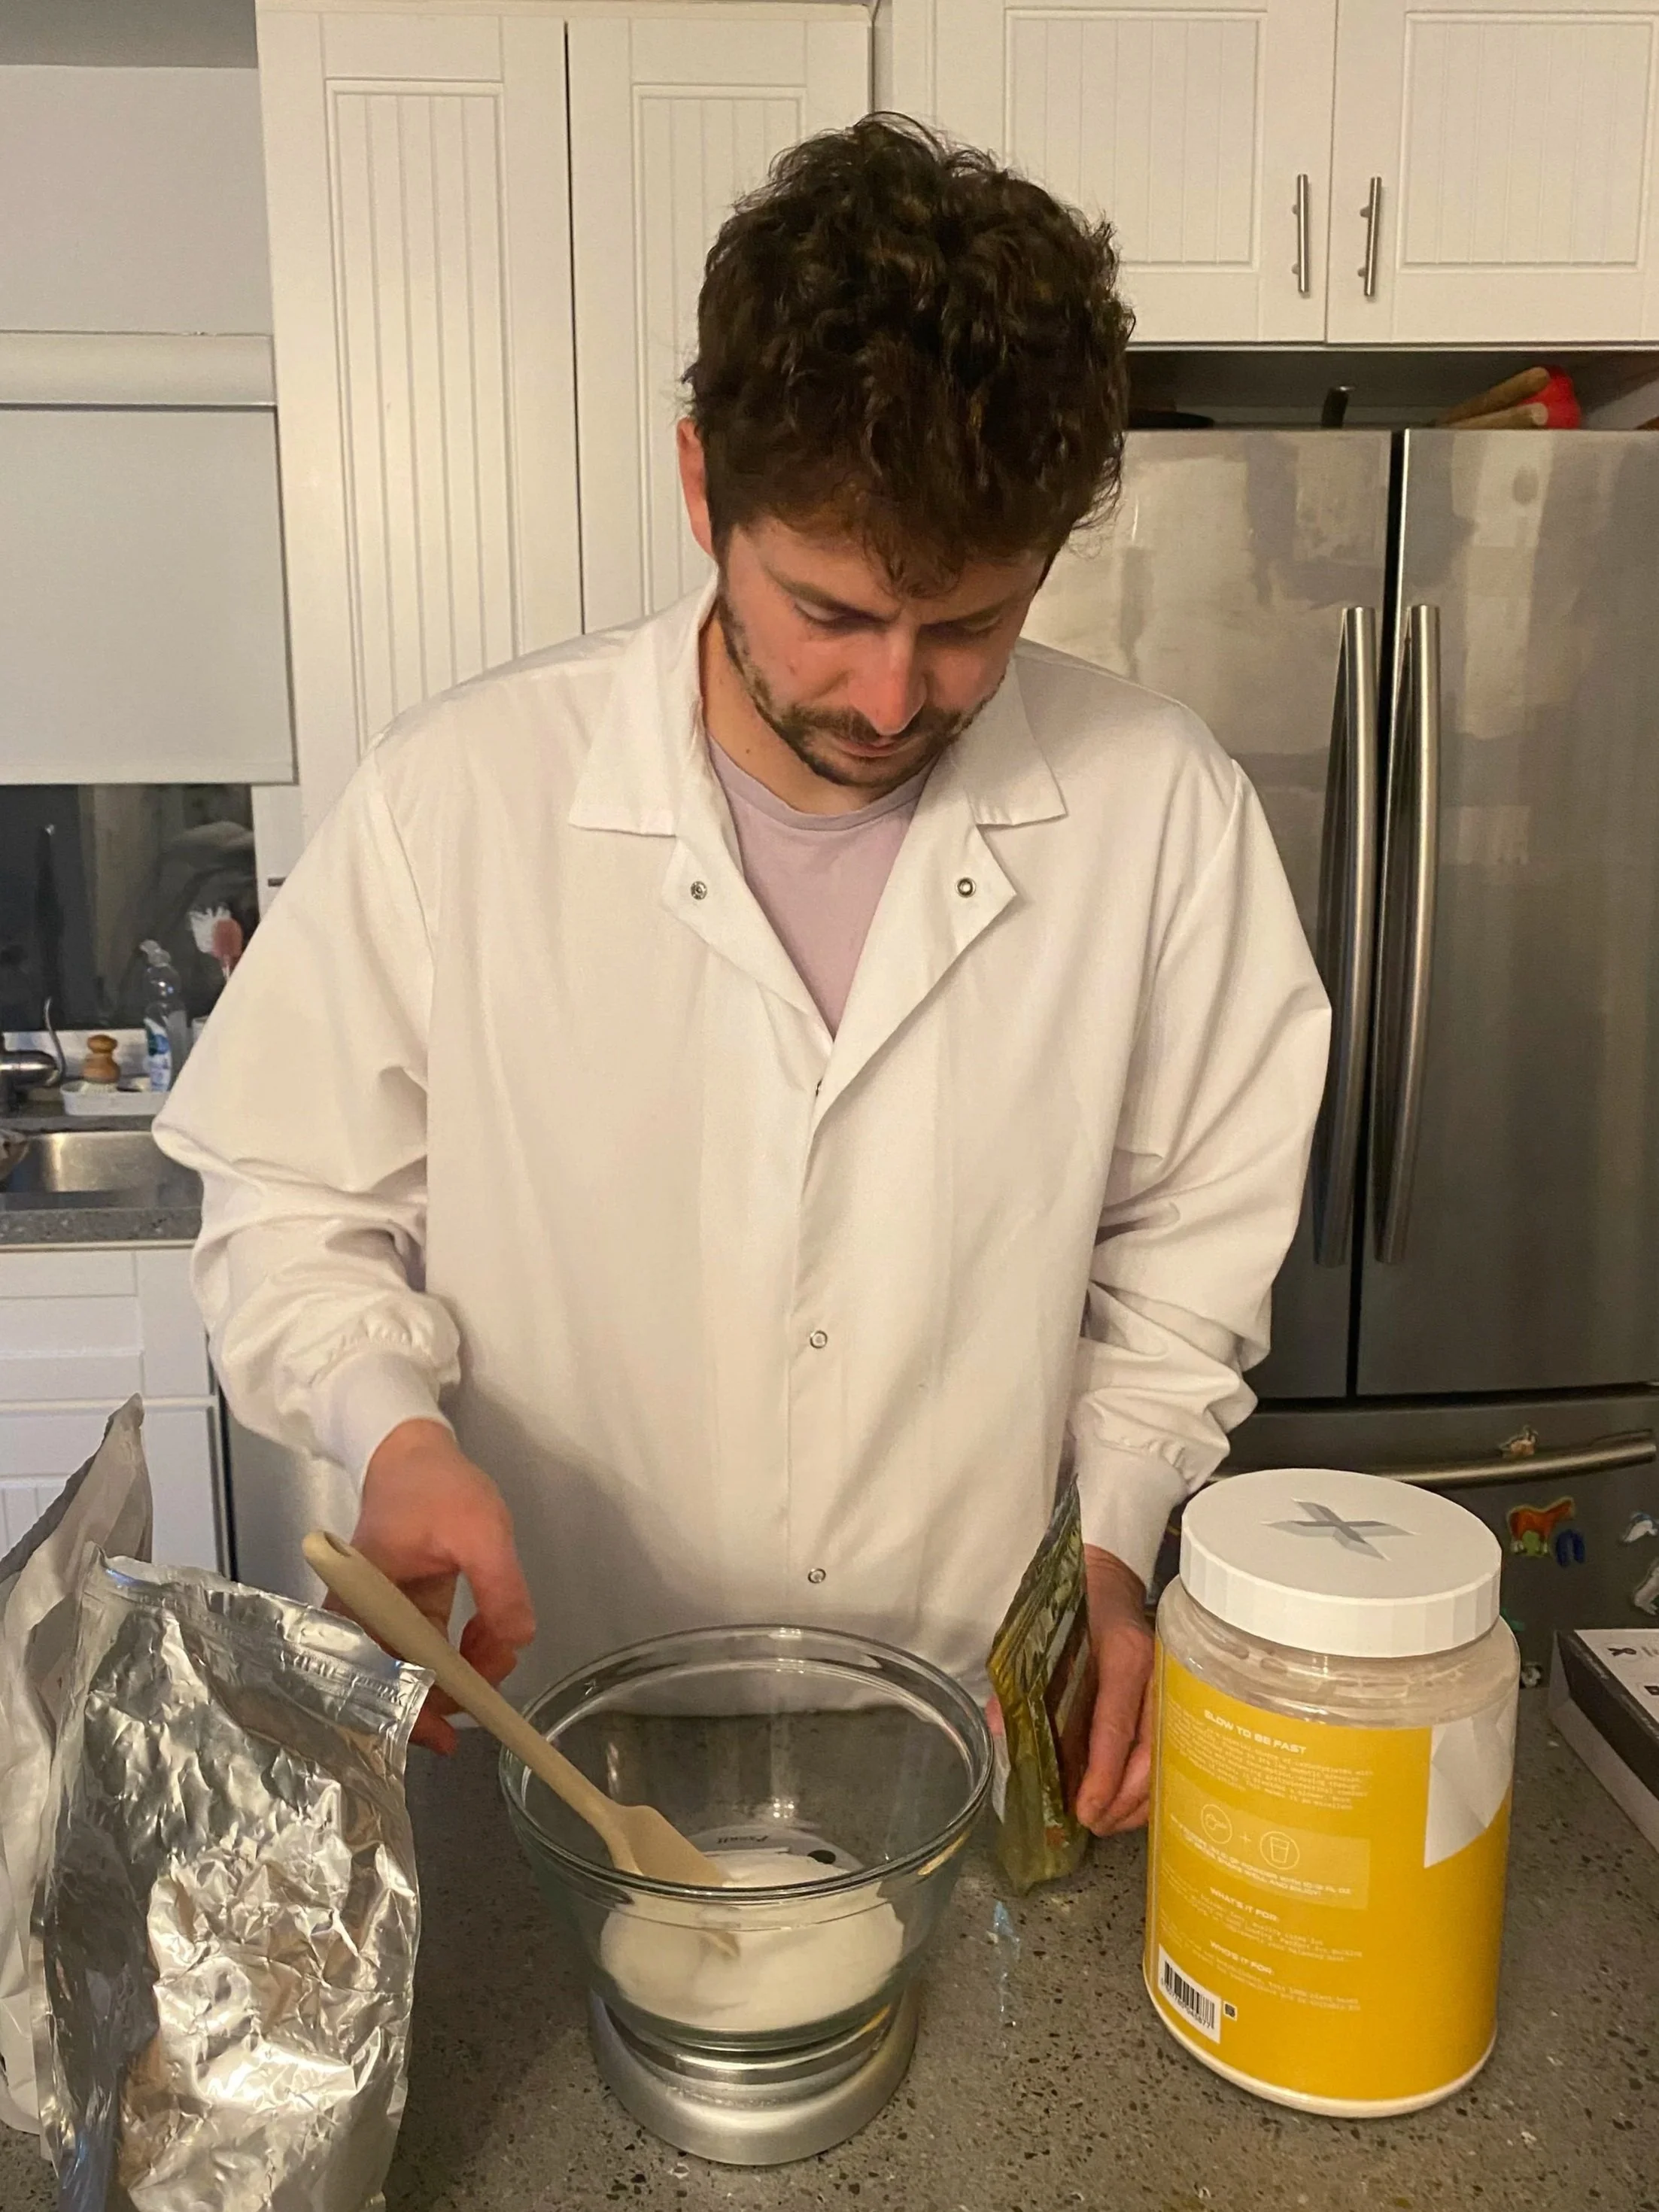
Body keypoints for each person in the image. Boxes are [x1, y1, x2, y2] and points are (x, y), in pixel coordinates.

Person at [155, 118, 1329, 1837]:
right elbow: (288, 1204)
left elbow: (1183, 1267)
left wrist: (1116, 1544)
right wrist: (389, 1432)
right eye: (831, 612)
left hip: (960, 1738)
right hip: (560, 1733)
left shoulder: (1164, 814)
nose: (887, 698)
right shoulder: (458, 797)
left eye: (970, 628)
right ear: (705, 488)